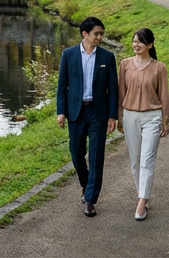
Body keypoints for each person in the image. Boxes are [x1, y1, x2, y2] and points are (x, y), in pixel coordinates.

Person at [57, 16, 119, 217]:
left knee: (96, 155)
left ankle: (91, 199)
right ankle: (86, 184)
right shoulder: (68, 55)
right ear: (85, 34)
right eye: (96, 34)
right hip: (76, 110)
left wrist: (112, 116)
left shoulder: (107, 57)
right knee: (76, 151)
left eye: (101, 34)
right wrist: (61, 112)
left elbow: (113, 89)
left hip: (98, 112)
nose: (100, 37)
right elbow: (62, 86)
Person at [118, 28, 169, 221]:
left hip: (152, 116)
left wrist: (166, 119)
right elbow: (121, 93)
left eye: (140, 42)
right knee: (135, 160)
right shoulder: (125, 65)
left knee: (147, 159)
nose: (136, 45)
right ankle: (143, 193)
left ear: (150, 45)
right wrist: (119, 116)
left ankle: (141, 202)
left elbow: (164, 94)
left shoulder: (159, 67)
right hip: (130, 115)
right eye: (134, 41)